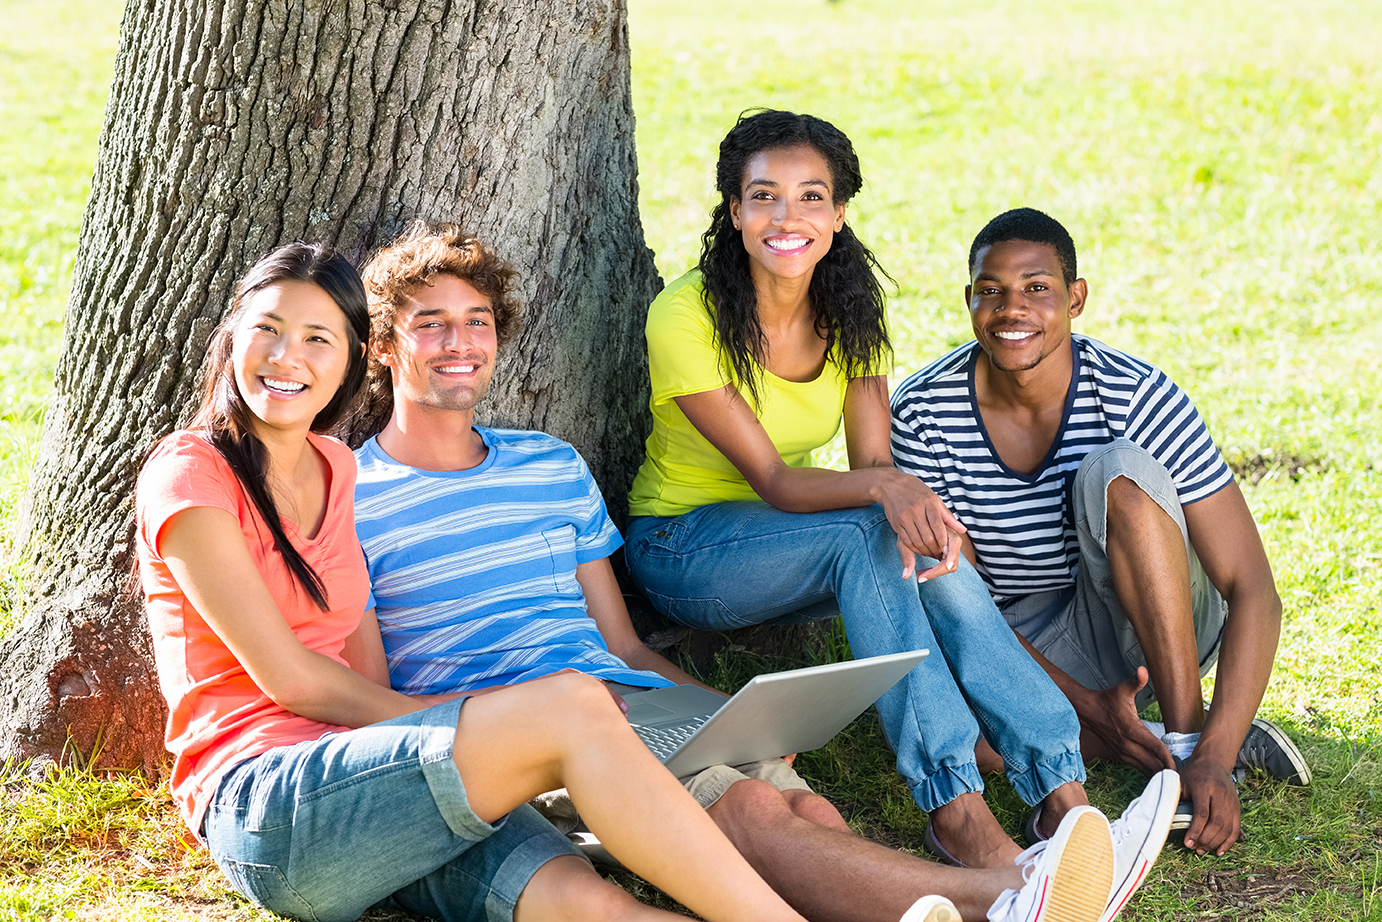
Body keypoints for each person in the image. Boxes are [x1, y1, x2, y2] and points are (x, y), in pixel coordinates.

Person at [349, 218, 1162, 922]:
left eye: (477, 321)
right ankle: (1012, 894)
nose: (459, 343)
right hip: (526, 742)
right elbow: (375, 701)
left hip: (631, 702)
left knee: (801, 803)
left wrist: (727, 717)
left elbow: (624, 649)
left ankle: (999, 875)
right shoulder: (350, 495)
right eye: (431, 325)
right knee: (746, 810)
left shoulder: (551, 466)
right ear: (384, 346)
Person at [133, 242, 836, 922]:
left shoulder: (333, 469)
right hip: (270, 799)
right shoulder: (192, 471)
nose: (289, 357)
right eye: (268, 330)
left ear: (348, 359)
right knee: (571, 705)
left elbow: (367, 669)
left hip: (382, 778)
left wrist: (487, 739)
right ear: (231, 339)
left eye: (318, 338)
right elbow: (295, 683)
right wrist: (486, 729)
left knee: (592, 905)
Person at [616, 105, 1172, 889]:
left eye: (812, 197)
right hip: (684, 546)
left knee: (905, 535)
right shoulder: (685, 315)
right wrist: (891, 489)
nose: (788, 217)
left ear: (839, 216)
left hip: (799, 540)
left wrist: (902, 498)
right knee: (875, 529)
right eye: (764, 196)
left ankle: (1060, 794)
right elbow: (777, 480)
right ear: (734, 211)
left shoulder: (852, 309)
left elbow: (872, 458)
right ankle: (958, 811)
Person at [890, 207, 1310, 859]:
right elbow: (960, 605)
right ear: (969, 298)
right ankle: (1144, 733)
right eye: (991, 290)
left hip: (1158, 615)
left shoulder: (1134, 392)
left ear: (1075, 297)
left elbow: (1251, 585)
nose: (1012, 309)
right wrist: (1087, 706)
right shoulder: (924, 413)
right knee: (967, 740)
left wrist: (1213, 760)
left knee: (1121, 473)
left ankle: (1190, 741)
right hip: (1026, 637)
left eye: (1037, 288)